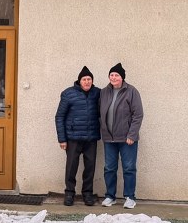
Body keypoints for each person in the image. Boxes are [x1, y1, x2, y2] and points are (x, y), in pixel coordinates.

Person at [55, 66, 101, 206]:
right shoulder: (68, 94)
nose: (87, 82)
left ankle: (87, 194)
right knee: (71, 168)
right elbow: (59, 116)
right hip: (73, 138)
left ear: (92, 81)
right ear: (79, 81)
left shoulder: (98, 93)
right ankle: (69, 193)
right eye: (84, 79)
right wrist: (62, 139)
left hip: (91, 138)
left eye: (89, 79)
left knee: (90, 168)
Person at [99, 62, 143, 209]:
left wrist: (132, 134)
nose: (113, 77)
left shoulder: (131, 91)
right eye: (111, 75)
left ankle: (130, 197)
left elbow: (138, 115)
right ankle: (110, 196)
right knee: (109, 168)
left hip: (126, 139)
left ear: (122, 77)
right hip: (109, 138)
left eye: (116, 75)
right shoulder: (104, 92)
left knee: (129, 168)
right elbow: (99, 112)